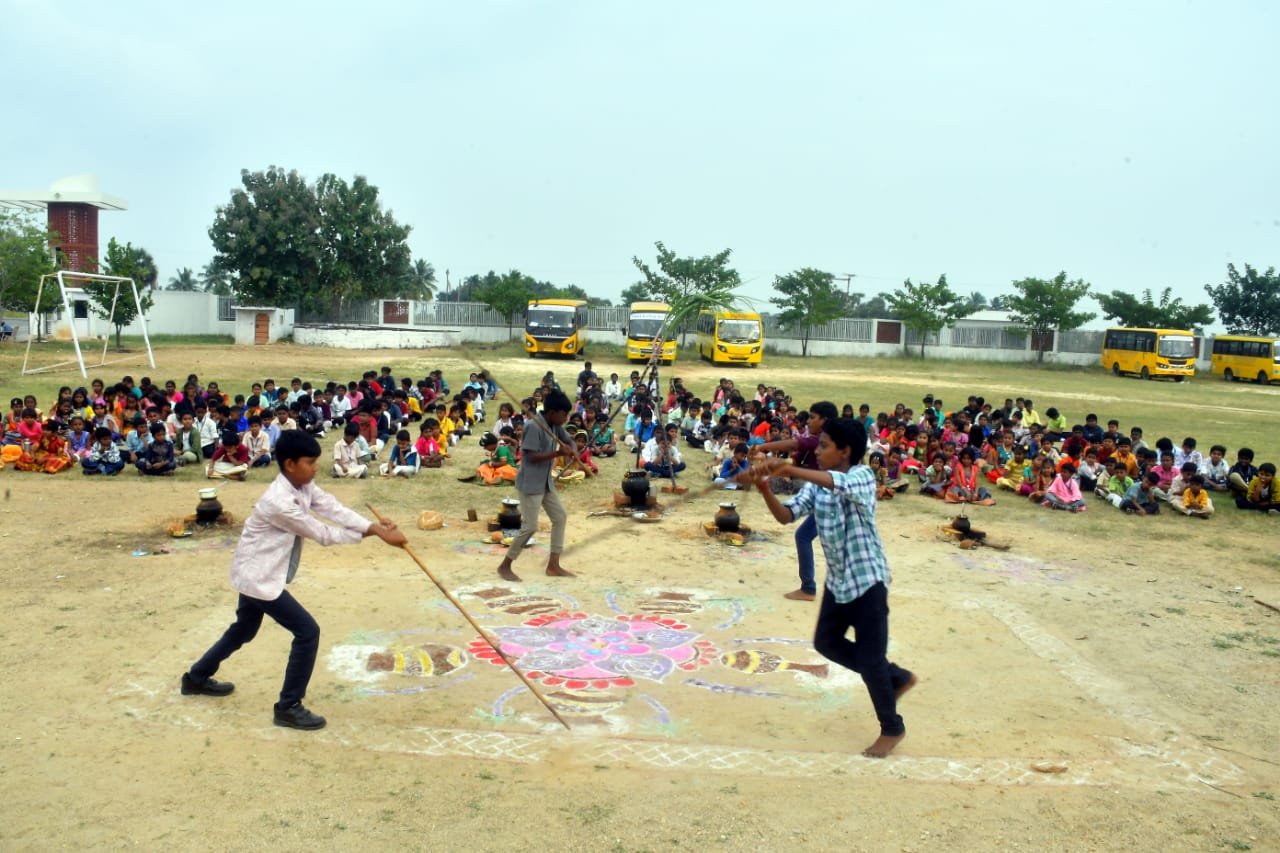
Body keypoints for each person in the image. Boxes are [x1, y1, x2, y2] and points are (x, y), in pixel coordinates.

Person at [181, 430, 407, 730]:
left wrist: (370, 526)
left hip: (260, 572)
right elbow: (321, 532)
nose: (315, 468)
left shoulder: (303, 485)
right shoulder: (278, 502)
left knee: (244, 630)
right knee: (307, 632)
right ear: (290, 464)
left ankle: (196, 677)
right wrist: (376, 533)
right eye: (310, 462)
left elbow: (331, 508)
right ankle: (289, 706)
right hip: (257, 577)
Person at [745, 418, 917, 758]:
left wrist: (788, 468)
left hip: (868, 581)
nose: (818, 451)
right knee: (826, 642)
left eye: (824, 446)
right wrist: (765, 486)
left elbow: (835, 482)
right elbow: (786, 516)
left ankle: (892, 727)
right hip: (839, 582)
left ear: (845, 451)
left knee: (869, 658)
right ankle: (894, 677)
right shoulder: (817, 486)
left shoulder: (862, 477)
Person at [751, 401, 839, 602]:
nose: (808, 421)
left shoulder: (817, 440)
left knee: (809, 537)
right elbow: (793, 461)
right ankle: (808, 587)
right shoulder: (815, 442)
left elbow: (793, 445)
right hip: (818, 494)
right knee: (804, 535)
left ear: (824, 420)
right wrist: (765, 468)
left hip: (829, 497)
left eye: (812, 417)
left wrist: (762, 446)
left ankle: (809, 588)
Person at [495, 389, 578, 583]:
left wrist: (572, 450)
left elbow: (569, 440)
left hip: (546, 483)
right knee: (530, 527)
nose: (565, 418)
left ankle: (553, 564)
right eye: (564, 414)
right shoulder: (534, 426)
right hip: (530, 483)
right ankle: (505, 565)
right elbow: (530, 456)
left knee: (560, 517)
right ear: (553, 412)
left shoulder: (554, 425)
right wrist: (558, 454)